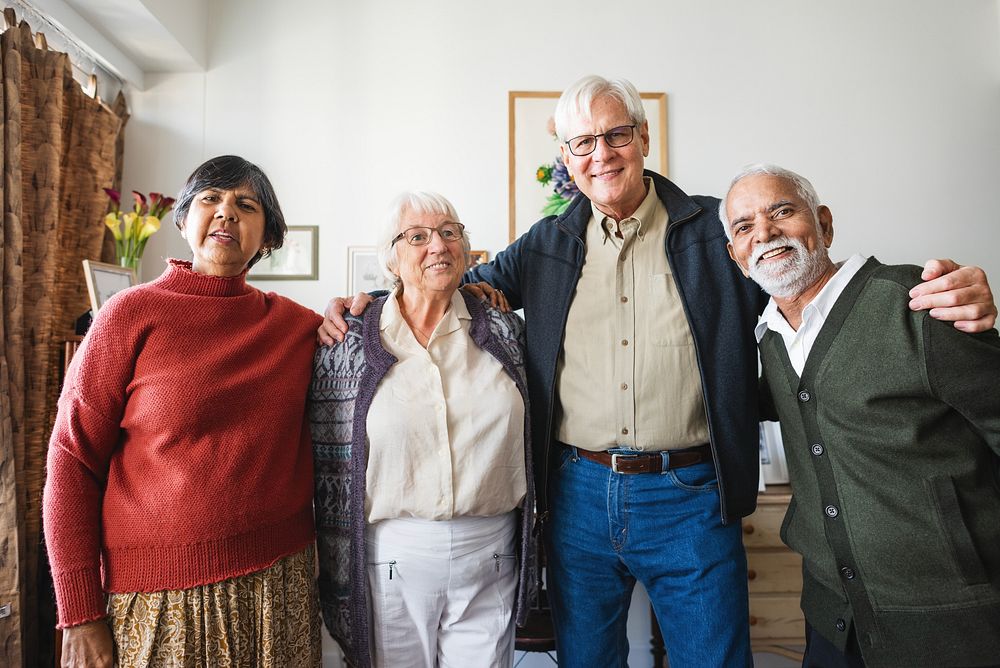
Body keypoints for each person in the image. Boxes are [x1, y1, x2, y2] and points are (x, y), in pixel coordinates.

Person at [322, 75, 996, 667]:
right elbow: (455, 291)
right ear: (567, 159)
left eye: (615, 135)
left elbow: (805, 287)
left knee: (713, 657)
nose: (600, 154)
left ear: (642, 138)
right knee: (588, 659)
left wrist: (938, 293)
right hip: (578, 492)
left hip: (691, 492)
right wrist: (367, 308)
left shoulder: (719, 231)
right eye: (582, 143)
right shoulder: (548, 244)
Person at [43, 155, 323, 668]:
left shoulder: (293, 325)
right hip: (159, 597)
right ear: (184, 219)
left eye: (246, 204)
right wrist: (79, 612)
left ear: (269, 237)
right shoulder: (128, 314)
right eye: (209, 199)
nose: (225, 214)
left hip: (280, 585)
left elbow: (375, 322)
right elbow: (71, 462)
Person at [721, 164, 1000, 668]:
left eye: (782, 211)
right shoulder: (768, 339)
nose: (764, 233)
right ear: (736, 258)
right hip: (833, 618)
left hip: (949, 618)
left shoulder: (919, 303)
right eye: (744, 227)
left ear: (824, 225)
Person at [309, 191, 535, 668]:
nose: (438, 246)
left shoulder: (503, 332)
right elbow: (321, 453)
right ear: (391, 259)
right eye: (417, 237)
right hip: (392, 558)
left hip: (491, 555)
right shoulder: (348, 338)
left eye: (449, 232)